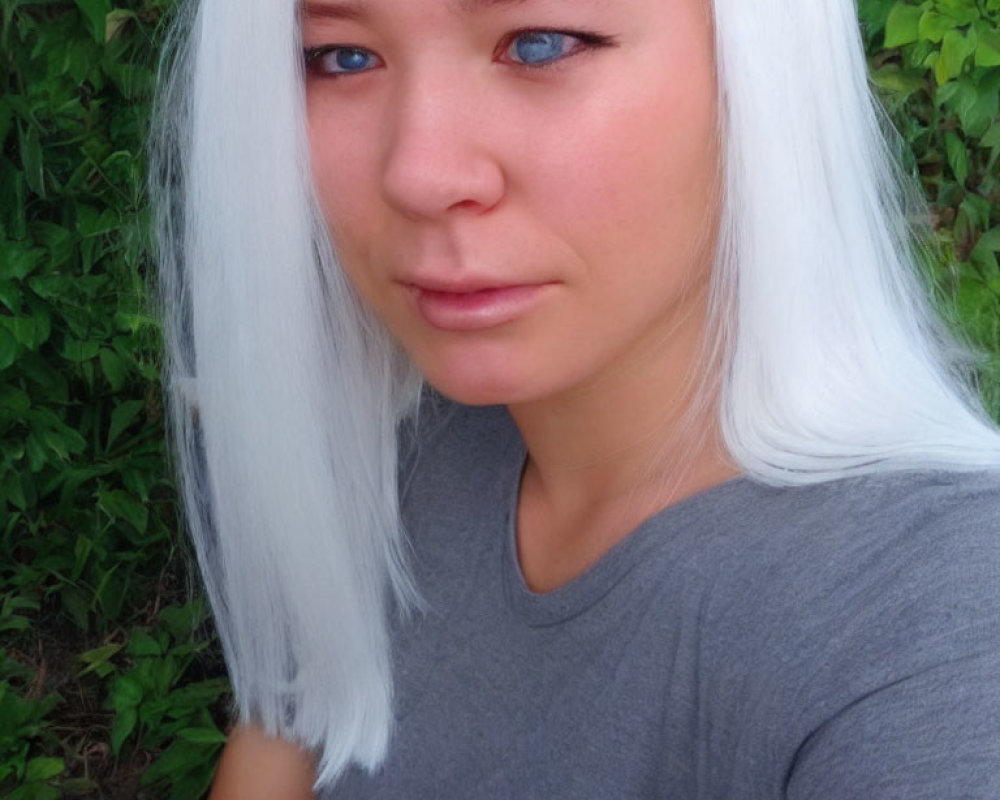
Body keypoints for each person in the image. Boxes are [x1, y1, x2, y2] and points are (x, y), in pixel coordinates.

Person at [151, 0, 1000, 796]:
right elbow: (288, 739)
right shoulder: (411, 453)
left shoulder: (941, 628)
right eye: (340, 57)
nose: (417, 173)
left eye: (541, 42)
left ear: (763, 73)